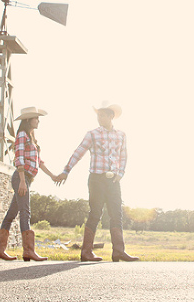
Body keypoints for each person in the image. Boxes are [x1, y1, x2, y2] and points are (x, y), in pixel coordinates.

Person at [56, 101, 139, 262]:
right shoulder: (92, 134)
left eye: (102, 115)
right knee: (95, 213)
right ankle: (86, 251)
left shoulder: (121, 135)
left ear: (110, 116)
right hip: (96, 179)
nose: (99, 118)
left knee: (117, 214)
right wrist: (66, 170)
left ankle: (118, 251)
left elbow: (124, 156)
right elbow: (78, 152)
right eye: (98, 115)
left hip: (113, 180)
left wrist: (120, 173)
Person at [0, 106, 63, 262]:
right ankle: (29, 251)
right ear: (28, 120)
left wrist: (52, 176)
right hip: (21, 178)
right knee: (25, 212)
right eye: (36, 118)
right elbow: (19, 158)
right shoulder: (22, 135)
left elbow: (39, 162)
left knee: (11, 214)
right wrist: (23, 181)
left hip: (26, 179)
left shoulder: (32, 139)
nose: (38, 121)